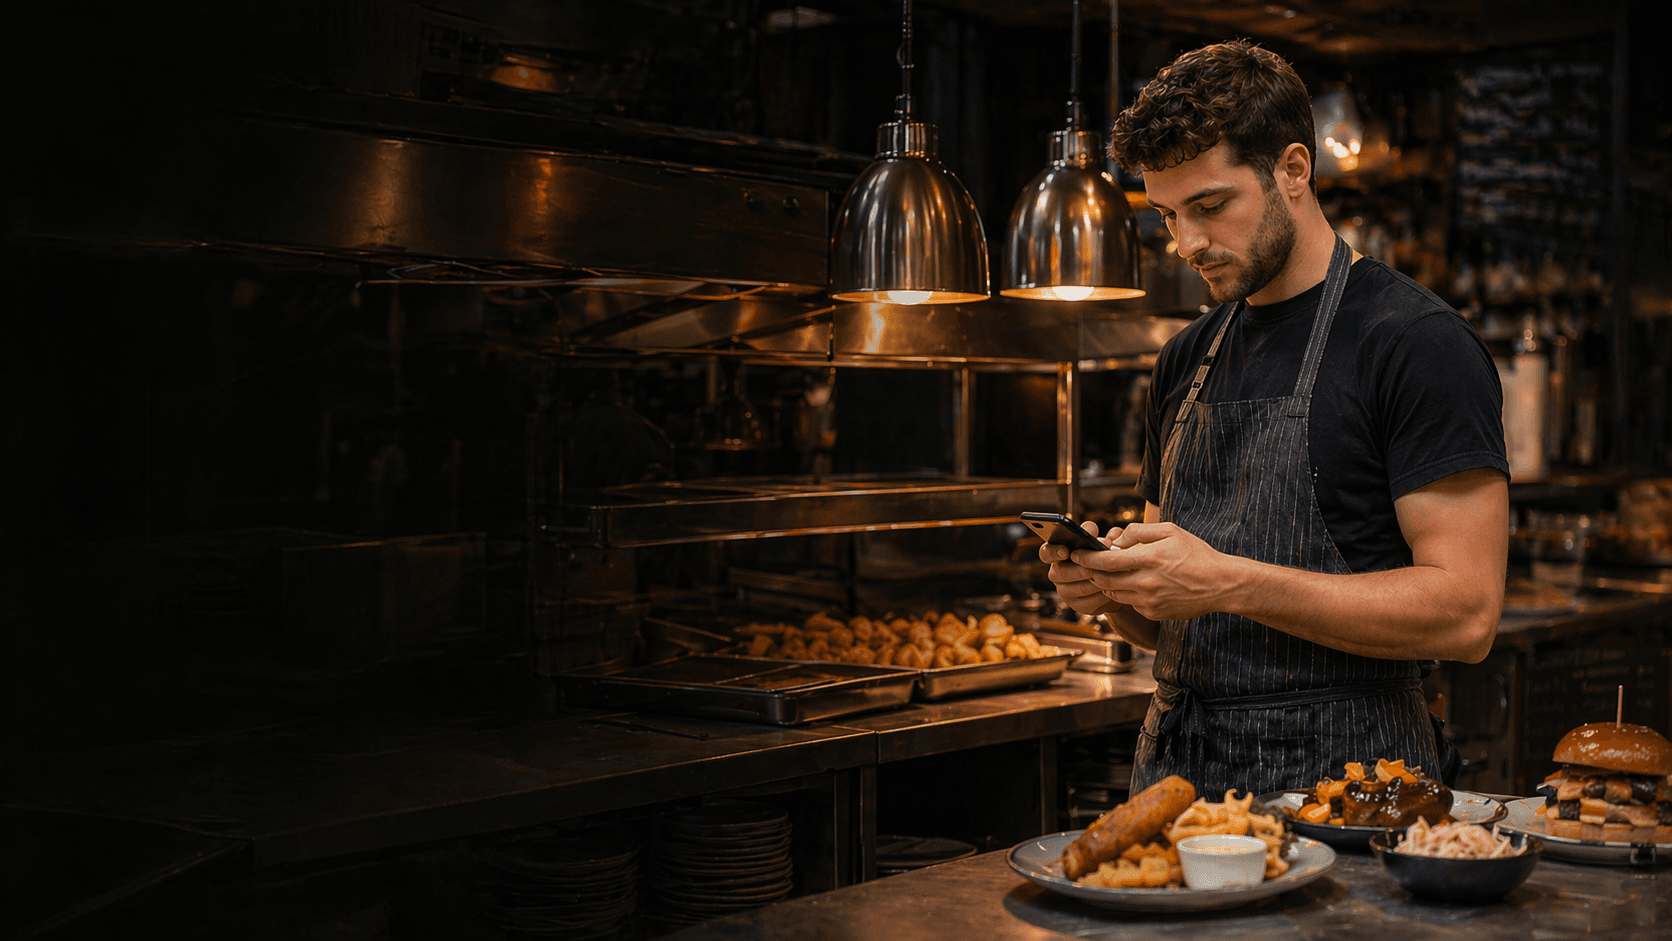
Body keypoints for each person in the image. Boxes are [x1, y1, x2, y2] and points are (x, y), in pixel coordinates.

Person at [1041, 40, 1508, 798]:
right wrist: (1115, 594)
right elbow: (1175, 625)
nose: (1187, 243)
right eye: (1166, 216)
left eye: (1210, 206)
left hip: (1348, 792)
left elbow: (1466, 613)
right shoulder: (1184, 359)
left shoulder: (1415, 343)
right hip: (1178, 788)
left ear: (1293, 170)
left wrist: (1226, 580)